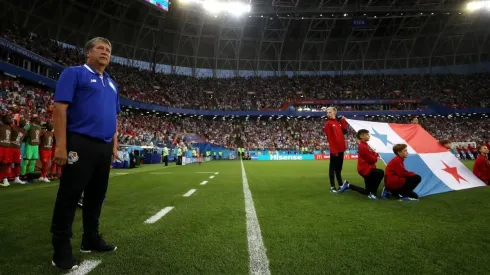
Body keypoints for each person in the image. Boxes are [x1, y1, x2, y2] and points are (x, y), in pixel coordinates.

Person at [50, 37, 119, 270]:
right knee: (69, 196)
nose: (105, 52)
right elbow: (59, 108)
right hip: (79, 142)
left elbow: (114, 116)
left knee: (96, 197)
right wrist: (61, 145)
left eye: (108, 50)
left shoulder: (111, 83)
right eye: (100, 48)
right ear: (88, 52)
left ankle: (90, 239)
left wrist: (114, 145)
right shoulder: (74, 73)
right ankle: (60, 251)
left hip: (104, 146)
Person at [338, 129, 385, 200]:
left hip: (366, 169)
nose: (369, 136)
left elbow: (371, 157)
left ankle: (348, 185)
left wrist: (374, 154)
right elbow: (372, 160)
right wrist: (375, 154)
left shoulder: (365, 145)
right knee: (380, 172)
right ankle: (373, 193)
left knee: (367, 191)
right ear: (361, 136)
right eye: (367, 134)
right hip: (366, 170)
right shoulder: (363, 146)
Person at [323, 107, 348, 193]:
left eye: (330, 112)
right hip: (335, 150)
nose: (328, 114)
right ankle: (332, 187)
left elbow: (344, 132)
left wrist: (343, 121)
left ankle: (341, 185)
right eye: (327, 112)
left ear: (334, 112)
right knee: (332, 169)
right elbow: (330, 138)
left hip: (341, 149)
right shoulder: (328, 124)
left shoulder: (338, 123)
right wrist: (333, 150)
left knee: (339, 169)